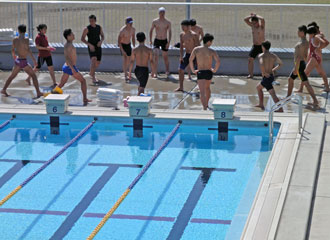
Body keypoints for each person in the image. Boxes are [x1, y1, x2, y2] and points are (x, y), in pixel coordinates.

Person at [1, 24, 43, 98]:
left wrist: (14, 57)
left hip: (18, 61)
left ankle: (4, 89)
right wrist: (34, 60)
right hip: (24, 61)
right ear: (25, 31)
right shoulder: (26, 40)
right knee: (33, 76)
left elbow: (13, 50)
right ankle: (38, 92)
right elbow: (28, 50)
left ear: (18, 31)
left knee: (11, 76)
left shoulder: (15, 40)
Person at [287, 25, 319, 108]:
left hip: (299, 66)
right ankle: (288, 97)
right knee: (290, 79)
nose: (297, 32)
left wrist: (296, 68)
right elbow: (304, 56)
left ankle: (315, 101)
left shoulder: (301, 44)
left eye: (298, 31)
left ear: (302, 33)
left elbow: (299, 57)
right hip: (301, 64)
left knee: (306, 83)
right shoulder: (306, 43)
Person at [58, 29, 91, 105]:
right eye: (72, 34)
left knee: (61, 84)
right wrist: (72, 69)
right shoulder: (68, 45)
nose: (74, 35)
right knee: (83, 81)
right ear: (68, 36)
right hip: (70, 67)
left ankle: (51, 95)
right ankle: (85, 98)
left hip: (67, 67)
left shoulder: (68, 44)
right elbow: (67, 58)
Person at [189, 33, 220, 110]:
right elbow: (218, 61)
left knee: (202, 91)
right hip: (209, 71)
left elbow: (190, 60)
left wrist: (193, 70)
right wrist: (214, 70)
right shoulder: (212, 51)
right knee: (207, 88)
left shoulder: (196, 49)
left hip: (200, 71)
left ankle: (204, 107)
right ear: (209, 41)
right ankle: (206, 104)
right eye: (211, 41)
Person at [298, 22, 329, 92]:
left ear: (312, 33)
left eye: (309, 34)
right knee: (322, 73)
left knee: (305, 73)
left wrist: (319, 48)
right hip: (316, 58)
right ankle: (327, 88)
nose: (308, 35)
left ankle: (300, 89)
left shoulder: (316, 37)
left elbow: (326, 42)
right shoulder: (315, 37)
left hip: (314, 58)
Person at [255, 41, 283, 111]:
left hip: (266, 77)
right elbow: (281, 63)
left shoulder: (261, 55)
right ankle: (261, 104)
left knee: (272, 94)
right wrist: (273, 69)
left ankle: (280, 108)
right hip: (270, 76)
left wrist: (264, 72)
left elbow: (261, 63)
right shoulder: (273, 55)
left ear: (263, 47)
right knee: (259, 88)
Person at [175, 19, 199, 92]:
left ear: (188, 27)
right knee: (180, 69)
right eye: (182, 26)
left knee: (198, 71)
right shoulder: (182, 35)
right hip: (187, 54)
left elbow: (198, 46)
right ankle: (181, 87)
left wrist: (198, 57)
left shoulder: (194, 35)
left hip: (194, 55)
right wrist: (181, 56)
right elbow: (182, 47)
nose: (182, 28)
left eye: (184, 26)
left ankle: (199, 85)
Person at [81, 15, 105, 84]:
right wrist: (89, 45)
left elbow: (103, 36)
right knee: (93, 60)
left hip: (98, 46)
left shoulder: (99, 27)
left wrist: (101, 41)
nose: (91, 22)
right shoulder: (87, 28)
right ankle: (93, 77)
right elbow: (82, 39)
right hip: (91, 46)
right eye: (90, 21)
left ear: (95, 20)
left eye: (92, 21)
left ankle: (91, 73)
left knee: (98, 62)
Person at [149, 7, 172, 77]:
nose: (162, 14)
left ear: (164, 13)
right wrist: (150, 40)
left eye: (163, 12)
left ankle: (167, 70)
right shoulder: (155, 21)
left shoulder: (167, 22)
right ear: (158, 13)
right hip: (157, 39)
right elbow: (151, 30)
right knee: (156, 55)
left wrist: (169, 42)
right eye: (160, 12)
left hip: (164, 40)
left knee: (165, 56)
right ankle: (155, 72)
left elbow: (170, 32)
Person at [244, 13, 265, 79]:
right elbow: (245, 20)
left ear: (258, 22)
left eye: (255, 23)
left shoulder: (261, 27)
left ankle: (272, 72)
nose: (253, 24)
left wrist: (256, 16)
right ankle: (251, 74)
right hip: (255, 46)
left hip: (262, 46)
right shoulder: (252, 26)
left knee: (266, 59)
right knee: (250, 59)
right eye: (252, 23)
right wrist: (251, 16)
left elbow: (262, 19)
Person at [118, 17, 136, 82]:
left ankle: (127, 71)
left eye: (131, 23)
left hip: (128, 44)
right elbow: (119, 41)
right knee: (125, 58)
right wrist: (122, 50)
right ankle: (125, 74)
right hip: (123, 44)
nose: (131, 24)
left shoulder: (133, 29)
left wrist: (134, 46)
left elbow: (133, 38)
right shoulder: (122, 30)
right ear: (126, 23)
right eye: (129, 23)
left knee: (130, 59)